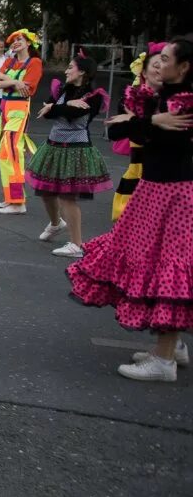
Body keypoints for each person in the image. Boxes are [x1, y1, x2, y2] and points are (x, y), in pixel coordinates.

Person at [68, 37, 193, 382]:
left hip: (175, 194)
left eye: (165, 58)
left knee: (171, 267)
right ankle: (173, 344)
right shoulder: (162, 98)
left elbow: (162, 138)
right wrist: (152, 121)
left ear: (182, 68)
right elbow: (122, 129)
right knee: (157, 263)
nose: (157, 63)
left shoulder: (185, 102)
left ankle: (165, 359)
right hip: (156, 189)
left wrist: (147, 122)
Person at [28, 54, 113, 258]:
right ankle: (57, 224)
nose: (66, 71)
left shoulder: (95, 95)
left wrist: (57, 107)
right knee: (45, 190)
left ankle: (77, 244)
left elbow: (74, 115)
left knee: (67, 196)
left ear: (82, 71)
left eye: (70, 67)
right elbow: (45, 112)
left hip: (76, 148)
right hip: (53, 145)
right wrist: (62, 106)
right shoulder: (61, 90)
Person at [0, 28, 44, 213]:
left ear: (29, 43)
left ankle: (18, 202)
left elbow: (28, 88)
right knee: (4, 154)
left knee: (13, 153)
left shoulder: (34, 62)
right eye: (14, 40)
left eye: (20, 39)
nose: (16, 42)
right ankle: (10, 198)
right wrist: (14, 82)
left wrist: (7, 79)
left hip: (19, 109)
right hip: (4, 108)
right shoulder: (10, 61)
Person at [108, 44, 165, 222]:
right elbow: (115, 133)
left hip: (169, 178)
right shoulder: (131, 99)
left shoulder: (177, 101)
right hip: (137, 174)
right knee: (126, 226)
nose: (162, 70)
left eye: (167, 65)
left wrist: (133, 120)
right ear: (144, 72)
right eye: (156, 66)